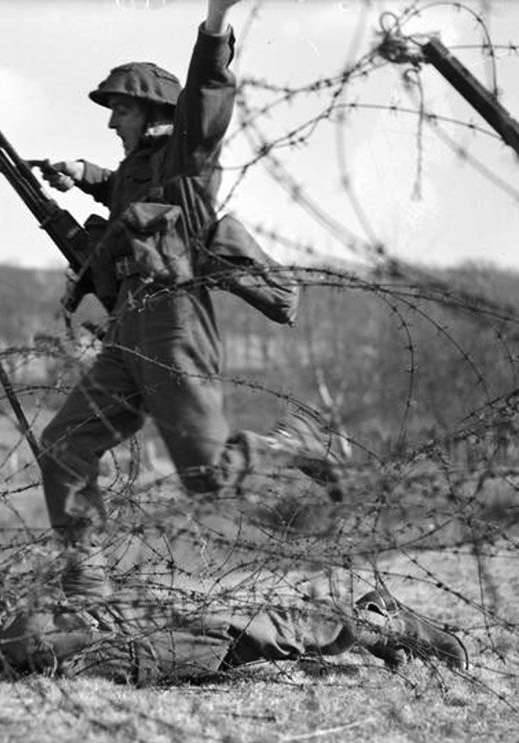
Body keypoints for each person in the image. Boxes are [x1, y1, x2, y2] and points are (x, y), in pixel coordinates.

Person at [36, 0, 344, 556]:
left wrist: (215, 24)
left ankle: (289, 450)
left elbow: (205, 97)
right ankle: (85, 567)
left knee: (208, 477)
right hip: (127, 327)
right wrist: (83, 175)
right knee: (63, 442)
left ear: (154, 112)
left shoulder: (186, 159)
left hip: (172, 321)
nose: (111, 121)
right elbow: (127, 193)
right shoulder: (139, 169)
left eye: (121, 110)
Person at [0, 514, 468, 686]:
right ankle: (365, 619)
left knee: (234, 632)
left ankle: (378, 625)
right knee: (229, 633)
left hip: (92, 638)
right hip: (75, 643)